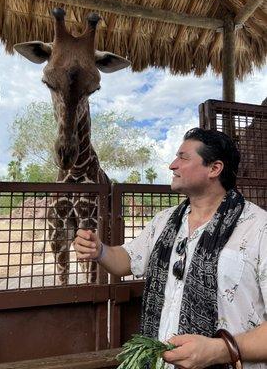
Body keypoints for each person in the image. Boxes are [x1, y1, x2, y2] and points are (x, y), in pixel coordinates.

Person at [73, 127, 267, 369]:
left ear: (214, 169)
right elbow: (126, 260)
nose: (172, 165)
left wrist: (219, 350)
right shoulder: (164, 221)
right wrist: (99, 250)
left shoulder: (259, 228)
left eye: (183, 157)